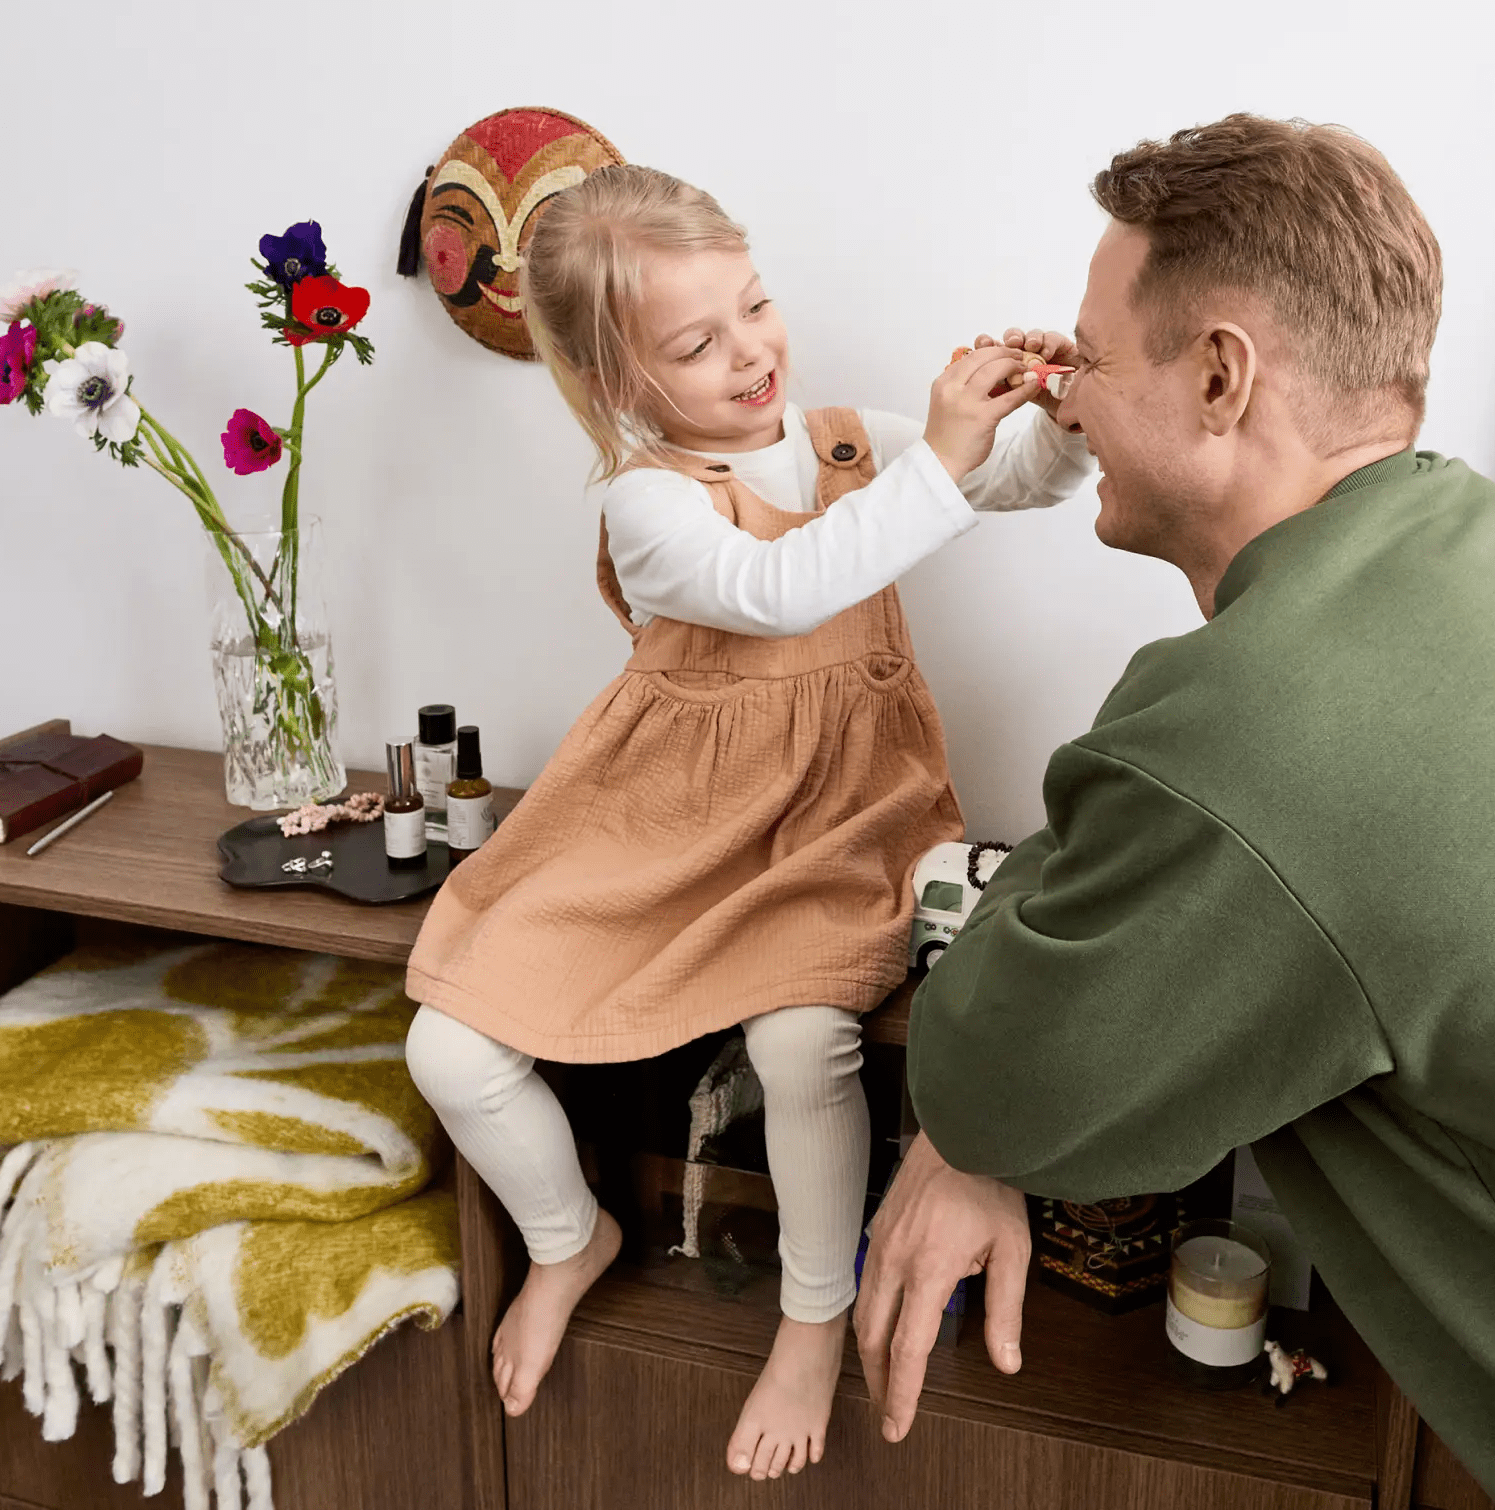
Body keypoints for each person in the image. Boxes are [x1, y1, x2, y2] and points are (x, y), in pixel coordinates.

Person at [854, 114, 1495, 1509]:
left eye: (1090, 358)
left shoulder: (1261, 728)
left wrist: (971, 1125)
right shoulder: (1472, 541)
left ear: (1223, 376)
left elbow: (992, 1076)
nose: (1066, 402)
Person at [400, 164, 1092, 1480]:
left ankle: (812, 1314)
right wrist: (941, 455)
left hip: (837, 819)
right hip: (659, 826)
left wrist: (1052, 421)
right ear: (619, 383)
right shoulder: (647, 500)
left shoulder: (846, 443)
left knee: (802, 1040)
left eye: (756, 305)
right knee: (450, 1040)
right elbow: (780, 588)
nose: (749, 352)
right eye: (696, 343)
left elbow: (1013, 486)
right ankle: (566, 1236)